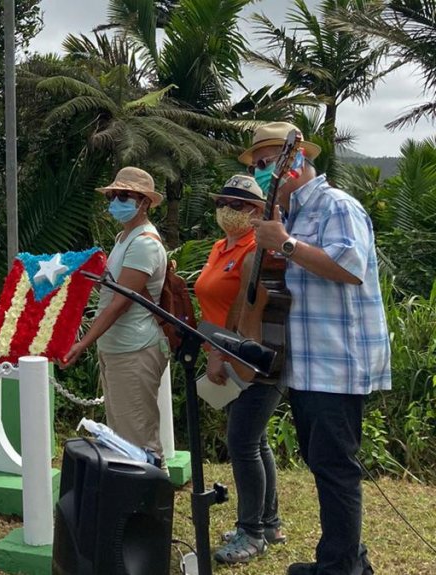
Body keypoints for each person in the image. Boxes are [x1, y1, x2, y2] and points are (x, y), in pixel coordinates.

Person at [242, 122, 390, 575]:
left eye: (268, 161)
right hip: (305, 365)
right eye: (257, 164)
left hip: (336, 364)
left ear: (297, 158)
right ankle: (347, 559)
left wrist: (286, 245)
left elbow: (350, 267)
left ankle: (338, 567)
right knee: (323, 463)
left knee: (335, 468)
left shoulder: (336, 206)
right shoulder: (289, 215)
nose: (262, 170)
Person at [193, 175, 285, 564]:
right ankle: (268, 522)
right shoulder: (220, 247)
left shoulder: (258, 252)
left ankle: (252, 533)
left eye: (238, 204)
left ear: (257, 211)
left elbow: (245, 309)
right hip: (226, 357)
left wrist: (220, 351)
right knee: (255, 441)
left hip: (253, 359)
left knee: (243, 443)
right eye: (223, 202)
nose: (227, 210)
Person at [62, 166, 168, 458]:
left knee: (138, 438)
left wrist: (83, 343)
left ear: (144, 202)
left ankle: (151, 485)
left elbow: (121, 303)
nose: (115, 202)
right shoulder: (124, 237)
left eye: (124, 196)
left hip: (135, 347)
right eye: (112, 196)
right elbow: (112, 288)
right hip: (116, 347)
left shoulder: (144, 243)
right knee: (121, 434)